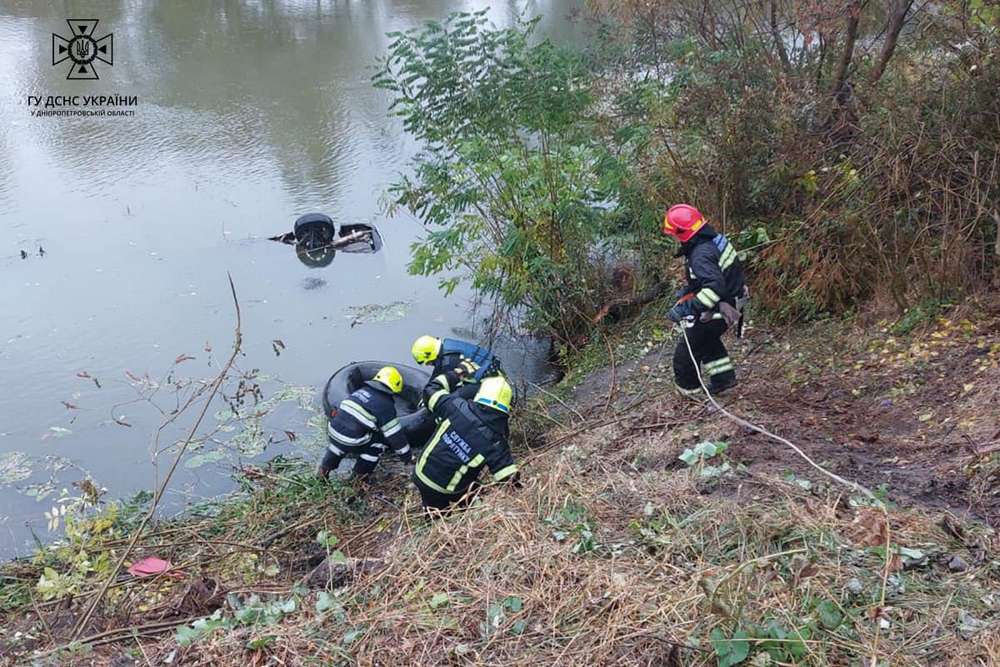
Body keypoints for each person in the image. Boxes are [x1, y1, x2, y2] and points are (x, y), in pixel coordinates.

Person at [662, 204, 748, 397]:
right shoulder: (713, 239)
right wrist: (687, 292)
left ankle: (690, 392)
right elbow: (715, 277)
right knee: (707, 339)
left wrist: (688, 308)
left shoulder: (700, 254)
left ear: (683, 233)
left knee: (687, 349)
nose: (673, 238)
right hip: (733, 299)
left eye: (674, 234)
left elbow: (714, 288)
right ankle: (724, 379)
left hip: (725, 306)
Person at [411, 371, 519, 511]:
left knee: (435, 509)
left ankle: (434, 519)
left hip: (420, 472)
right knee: (473, 499)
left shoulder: (455, 407)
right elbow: (508, 478)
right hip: (445, 489)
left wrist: (456, 374)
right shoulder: (496, 442)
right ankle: (468, 515)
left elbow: (430, 390)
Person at [317, 366, 412, 479]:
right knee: (378, 445)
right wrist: (406, 455)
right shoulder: (386, 406)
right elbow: (395, 435)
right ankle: (359, 477)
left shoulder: (361, 391)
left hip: (332, 431)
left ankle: (324, 469)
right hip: (352, 439)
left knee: (338, 444)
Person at [410, 335, 502, 394]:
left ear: (430, 354)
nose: (428, 365)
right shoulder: (447, 348)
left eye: (427, 362)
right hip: (491, 369)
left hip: (490, 382)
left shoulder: (449, 362)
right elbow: (437, 373)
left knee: (455, 396)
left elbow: (448, 383)